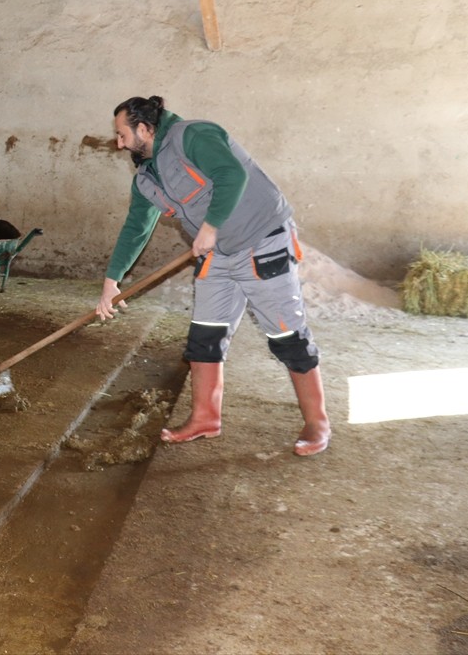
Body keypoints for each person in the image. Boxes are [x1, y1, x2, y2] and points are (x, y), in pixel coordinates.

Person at [94, 95, 331, 456]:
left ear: (144, 128)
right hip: (218, 252)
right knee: (205, 336)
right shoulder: (145, 176)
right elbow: (136, 227)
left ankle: (317, 424)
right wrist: (112, 281)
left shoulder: (193, 135)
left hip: (260, 240)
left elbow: (231, 174)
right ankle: (205, 418)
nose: (119, 142)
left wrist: (210, 226)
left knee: (286, 335)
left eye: (122, 133)